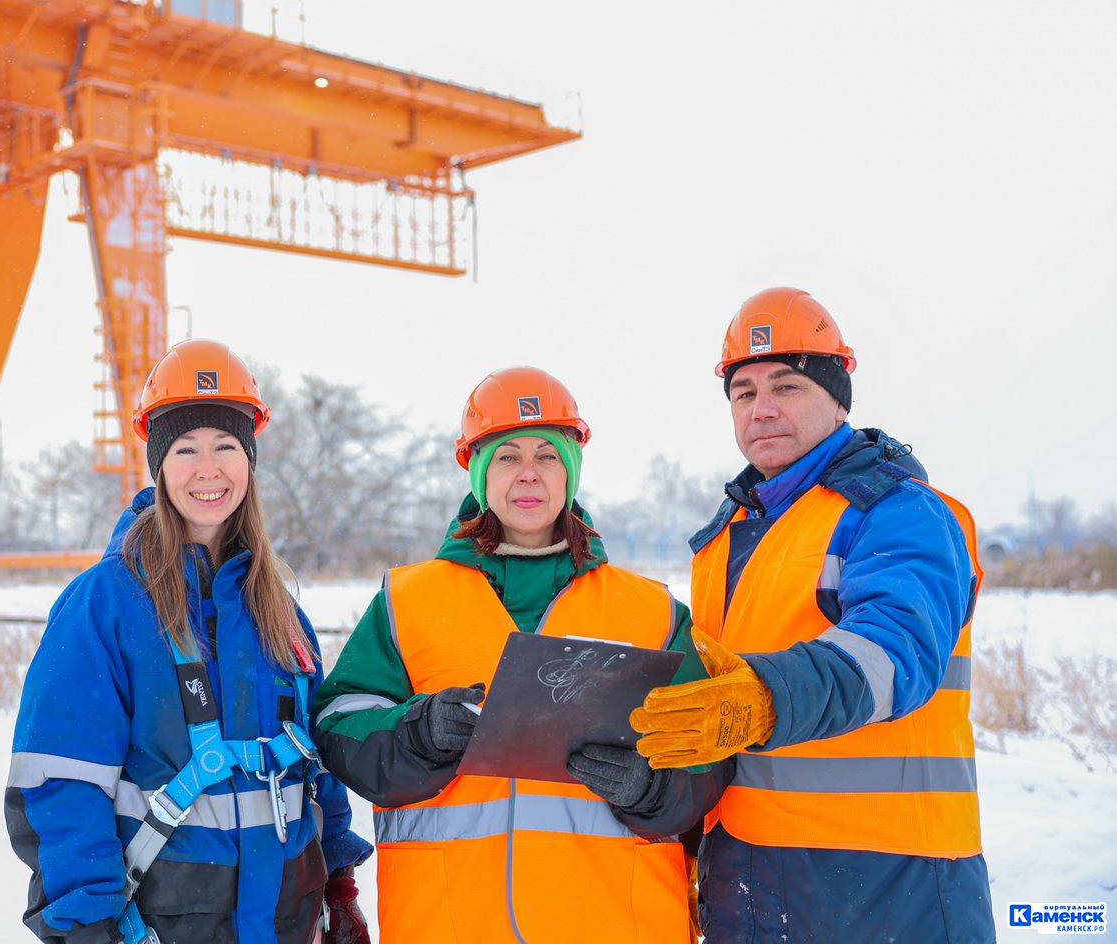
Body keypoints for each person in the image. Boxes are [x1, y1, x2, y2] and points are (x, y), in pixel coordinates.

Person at [312, 366, 731, 943]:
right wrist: (418, 733)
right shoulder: (407, 601)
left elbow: (708, 751)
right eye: (507, 456)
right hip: (451, 923)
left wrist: (652, 787)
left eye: (548, 456)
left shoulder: (653, 612)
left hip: (617, 922)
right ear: (479, 471)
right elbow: (339, 727)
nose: (528, 473)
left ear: (571, 471)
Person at [630, 287, 993, 942]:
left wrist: (764, 697)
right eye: (743, 392)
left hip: (889, 882)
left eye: (786, 386)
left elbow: (894, 652)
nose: (762, 409)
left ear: (838, 398)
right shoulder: (726, 538)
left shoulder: (898, 511)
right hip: (748, 873)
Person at [5, 339, 373, 944]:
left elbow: (315, 771)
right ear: (158, 464)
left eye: (226, 445)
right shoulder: (105, 605)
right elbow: (60, 784)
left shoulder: (279, 612)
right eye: (186, 449)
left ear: (249, 460)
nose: (209, 469)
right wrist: (85, 927)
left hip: (286, 922)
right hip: (161, 926)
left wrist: (340, 887)